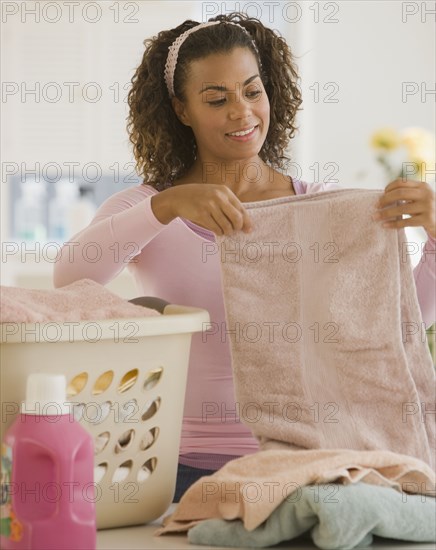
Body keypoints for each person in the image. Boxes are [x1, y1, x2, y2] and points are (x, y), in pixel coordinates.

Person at [53, 12, 435, 501]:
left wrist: (435, 234)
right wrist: (166, 207)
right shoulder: (147, 207)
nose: (242, 112)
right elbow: (70, 279)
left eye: (253, 92)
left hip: (306, 465)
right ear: (181, 109)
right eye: (217, 99)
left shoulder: (320, 208)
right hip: (173, 467)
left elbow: (402, 320)